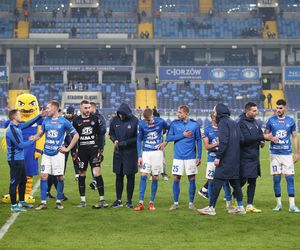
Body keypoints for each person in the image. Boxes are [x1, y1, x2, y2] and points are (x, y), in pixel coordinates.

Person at [198, 103, 245, 216]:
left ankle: (211, 208)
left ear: (219, 112)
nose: (214, 114)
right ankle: (241, 207)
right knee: (235, 184)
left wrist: (218, 157)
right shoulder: (234, 122)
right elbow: (242, 140)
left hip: (225, 160)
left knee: (216, 182)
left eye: (215, 112)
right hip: (235, 159)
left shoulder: (223, 123)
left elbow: (223, 141)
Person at [34, 101, 79, 210]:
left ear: (55, 108)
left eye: (48, 108)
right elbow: (40, 134)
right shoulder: (46, 120)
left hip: (58, 154)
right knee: (43, 176)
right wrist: (34, 138)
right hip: (46, 153)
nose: (47, 110)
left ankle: (59, 201)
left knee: (60, 177)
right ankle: (43, 202)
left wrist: (67, 148)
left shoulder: (64, 122)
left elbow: (76, 135)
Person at [239, 102, 279, 213]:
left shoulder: (255, 122)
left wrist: (265, 139)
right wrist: (262, 137)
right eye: (254, 111)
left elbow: (259, 135)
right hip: (244, 157)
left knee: (252, 181)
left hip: (254, 157)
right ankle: (234, 200)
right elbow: (245, 139)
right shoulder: (241, 123)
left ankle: (249, 205)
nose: (256, 112)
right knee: (241, 181)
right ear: (247, 111)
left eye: (256, 110)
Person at [265, 99, 300, 212]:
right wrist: (270, 137)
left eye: (280, 108)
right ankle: (278, 204)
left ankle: (292, 205)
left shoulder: (290, 121)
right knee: (276, 179)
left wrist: (296, 152)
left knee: (290, 178)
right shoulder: (271, 121)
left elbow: (294, 137)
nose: (278, 110)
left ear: (285, 107)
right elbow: (265, 135)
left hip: (287, 154)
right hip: (274, 154)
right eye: (277, 108)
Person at [6, 109, 44, 212]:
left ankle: (21, 201)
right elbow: (21, 145)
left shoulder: (17, 126)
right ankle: (13, 206)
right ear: (14, 117)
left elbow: (27, 124)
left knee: (23, 180)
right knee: (14, 182)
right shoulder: (11, 130)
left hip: (20, 159)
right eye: (19, 115)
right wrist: (32, 140)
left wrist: (40, 115)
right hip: (15, 161)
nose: (21, 116)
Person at [72, 100, 108, 208]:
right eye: (85, 108)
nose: (88, 110)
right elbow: (73, 137)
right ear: (81, 108)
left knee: (97, 173)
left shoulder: (95, 119)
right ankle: (83, 201)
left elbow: (101, 134)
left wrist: (100, 149)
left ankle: (102, 199)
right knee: (82, 174)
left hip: (94, 150)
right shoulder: (76, 121)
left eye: (89, 108)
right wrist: (74, 152)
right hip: (82, 152)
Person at [166, 105, 202, 211]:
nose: (178, 114)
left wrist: (199, 156)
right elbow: (169, 138)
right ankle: (175, 203)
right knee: (176, 178)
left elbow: (199, 140)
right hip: (178, 157)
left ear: (186, 113)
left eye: (180, 112)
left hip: (190, 157)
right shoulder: (174, 124)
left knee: (192, 179)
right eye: (178, 112)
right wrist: (182, 135)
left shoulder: (194, 125)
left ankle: (191, 203)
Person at [134, 109, 169, 211]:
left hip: (157, 153)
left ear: (152, 116)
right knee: (143, 175)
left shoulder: (161, 121)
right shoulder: (141, 124)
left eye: (148, 119)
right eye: (146, 120)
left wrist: (165, 142)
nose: (147, 121)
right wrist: (140, 156)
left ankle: (151, 203)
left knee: (155, 177)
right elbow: (139, 140)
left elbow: (170, 129)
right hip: (146, 153)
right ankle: (140, 202)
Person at [109, 103, 139, 208]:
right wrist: (114, 140)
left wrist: (126, 143)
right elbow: (111, 133)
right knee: (118, 176)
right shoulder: (114, 120)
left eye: (123, 114)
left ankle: (129, 201)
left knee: (130, 177)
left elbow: (138, 138)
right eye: (119, 114)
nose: (121, 116)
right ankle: (118, 200)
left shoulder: (135, 121)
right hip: (118, 153)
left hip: (131, 153)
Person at [200, 112, 232, 209]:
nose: (216, 118)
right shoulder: (207, 130)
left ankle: (229, 205)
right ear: (212, 118)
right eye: (214, 117)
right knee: (210, 181)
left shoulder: (225, 129)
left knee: (225, 181)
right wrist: (218, 144)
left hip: (224, 159)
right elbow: (207, 146)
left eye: (217, 117)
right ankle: (210, 205)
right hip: (212, 159)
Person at [89, 102, 106, 190]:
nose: (88, 109)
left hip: (98, 143)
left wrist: (94, 130)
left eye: (89, 107)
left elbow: (103, 130)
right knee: (92, 163)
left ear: (93, 108)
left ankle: (95, 180)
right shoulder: (88, 117)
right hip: (89, 143)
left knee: (96, 162)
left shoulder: (100, 117)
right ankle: (95, 180)